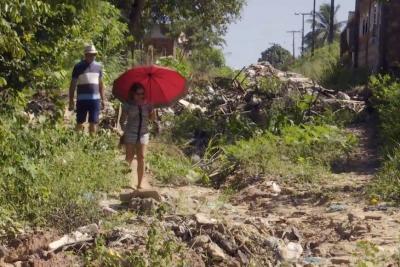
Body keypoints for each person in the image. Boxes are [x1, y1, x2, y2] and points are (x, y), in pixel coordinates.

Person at [119, 83, 156, 189]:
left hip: (143, 133)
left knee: (142, 157)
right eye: (138, 94)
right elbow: (122, 120)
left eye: (142, 94)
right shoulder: (128, 104)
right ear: (133, 94)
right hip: (131, 132)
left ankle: (139, 184)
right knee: (129, 157)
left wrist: (153, 111)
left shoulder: (148, 104)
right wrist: (124, 130)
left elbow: (152, 119)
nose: (141, 96)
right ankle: (121, 180)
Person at [69, 44, 105, 134]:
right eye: (89, 54)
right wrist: (71, 100)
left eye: (93, 54)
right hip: (82, 100)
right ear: (85, 55)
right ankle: (76, 143)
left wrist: (103, 99)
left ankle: (91, 144)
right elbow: (73, 84)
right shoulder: (78, 67)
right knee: (79, 122)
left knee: (93, 123)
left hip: (95, 100)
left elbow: (100, 84)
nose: (91, 56)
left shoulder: (98, 67)